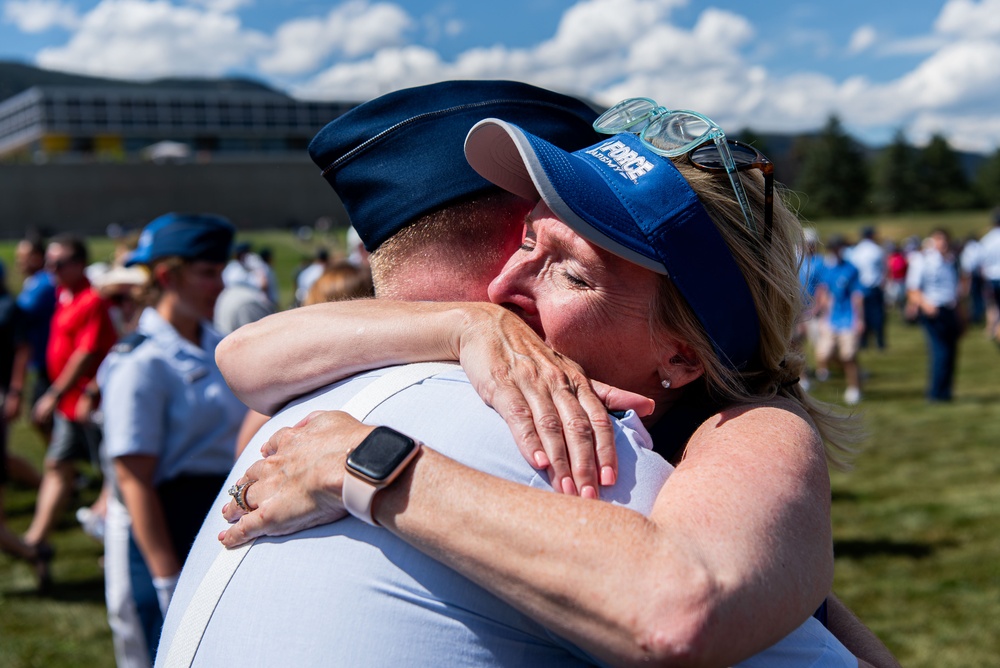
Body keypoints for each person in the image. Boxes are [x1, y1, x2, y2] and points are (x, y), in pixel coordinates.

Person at [198, 88, 893, 666]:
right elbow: (244, 355)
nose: (501, 284)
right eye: (528, 239)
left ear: (682, 355)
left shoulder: (754, 427)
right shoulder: (497, 339)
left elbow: (677, 607)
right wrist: (462, 326)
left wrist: (366, 466)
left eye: (570, 271)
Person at [98, 213, 248, 666]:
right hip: (160, 524)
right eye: (207, 273)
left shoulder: (219, 344)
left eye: (221, 272)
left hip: (213, 514)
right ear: (167, 276)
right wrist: (167, 580)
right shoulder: (140, 362)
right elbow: (134, 479)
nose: (219, 285)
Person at [22, 235, 117, 562]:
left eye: (58, 263)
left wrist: (53, 393)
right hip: (69, 405)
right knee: (58, 464)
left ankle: (121, 545)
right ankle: (35, 541)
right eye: (48, 262)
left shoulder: (91, 299)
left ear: (79, 264)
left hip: (90, 404)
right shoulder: (64, 293)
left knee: (117, 478)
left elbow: (87, 352)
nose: (50, 269)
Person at [0, 258, 54, 585]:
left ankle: (33, 552)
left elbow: (21, 350)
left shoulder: (8, 308)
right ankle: (33, 552)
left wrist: (16, 391)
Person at [5, 237, 57, 444]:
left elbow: (18, 314)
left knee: (42, 416)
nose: (19, 262)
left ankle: (66, 465)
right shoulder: (34, 282)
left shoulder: (44, 283)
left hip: (49, 361)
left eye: (24, 257)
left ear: (37, 257)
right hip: (43, 360)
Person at [906, 229, 964, 401]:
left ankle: (946, 392)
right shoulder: (923, 260)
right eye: (938, 240)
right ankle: (935, 393)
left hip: (949, 309)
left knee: (951, 353)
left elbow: (954, 290)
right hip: (933, 310)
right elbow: (913, 288)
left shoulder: (950, 261)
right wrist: (925, 305)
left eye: (944, 240)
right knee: (941, 352)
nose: (942, 244)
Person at [814, 235, 865, 405]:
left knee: (849, 355)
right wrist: (819, 312)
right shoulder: (829, 270)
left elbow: (857, 296)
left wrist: (859, 319)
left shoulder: (851, 269)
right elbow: (824, 292)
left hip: (848, 318)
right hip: (832, 318)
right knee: (824, 354)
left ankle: (854, 387)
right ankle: (853, 374)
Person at [846, 226, 887, 351]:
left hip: (860, 286)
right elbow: (883, 269)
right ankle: (879, 342)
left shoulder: (855, 251)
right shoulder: (877, 250)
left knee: (861, 314)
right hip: (874, 286)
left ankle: (863, 342)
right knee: (878, 314)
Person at [979, 209, 1000, 343]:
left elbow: (981, 261)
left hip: (991, 277)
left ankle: (991, 329)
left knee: (992, 305)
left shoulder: (986, 239)